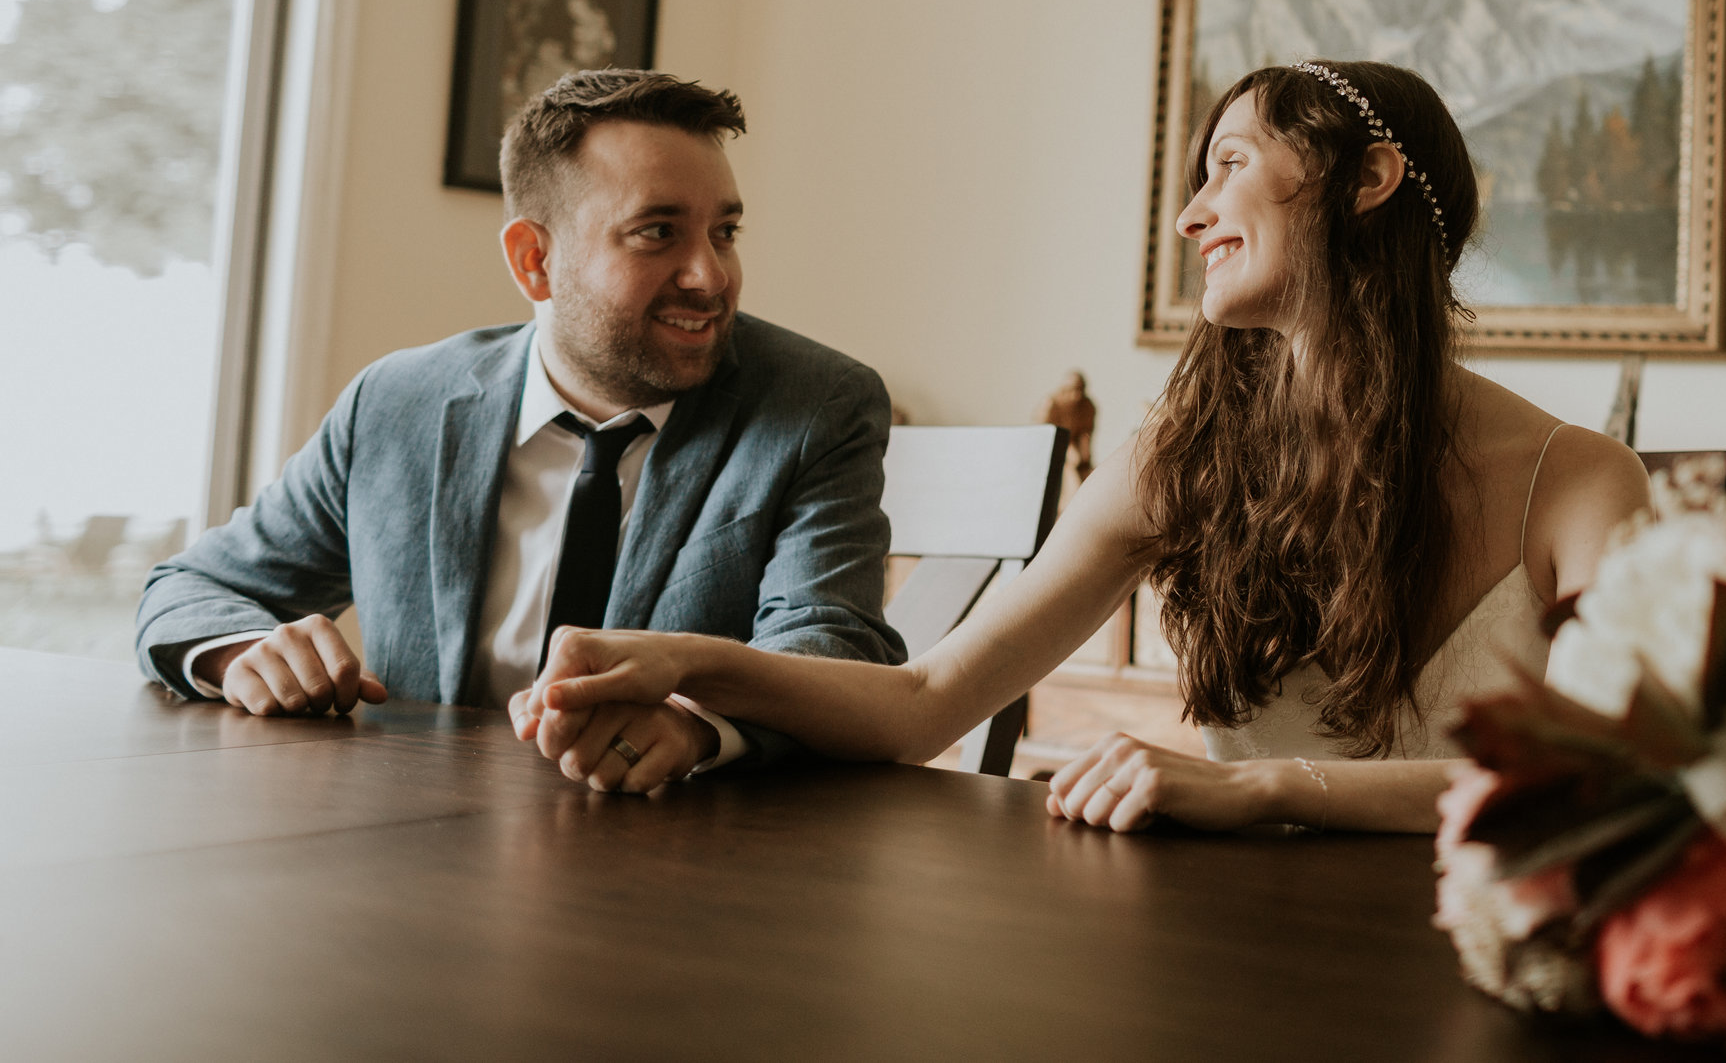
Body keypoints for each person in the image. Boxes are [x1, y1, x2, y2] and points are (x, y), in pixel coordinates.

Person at [518, 60, 1646, 829]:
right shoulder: (1180, 452)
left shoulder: (1585, 483)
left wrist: (1264, 792)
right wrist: (685, 659)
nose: (1189, 214)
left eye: (1230, 164)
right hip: (1242, 952)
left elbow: (1621, 777)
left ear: (1367, 181)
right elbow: (925, 700)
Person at [136, 70, 903, 789]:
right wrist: (243, 652)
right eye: (658, 232)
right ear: (534, 259)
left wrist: (699, 726)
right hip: (411, 838)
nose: (710, 276)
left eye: (725, 231)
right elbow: (194, 587)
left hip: (684, 858)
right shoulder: (398, 402)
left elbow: (830, 646)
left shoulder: (818, 405)